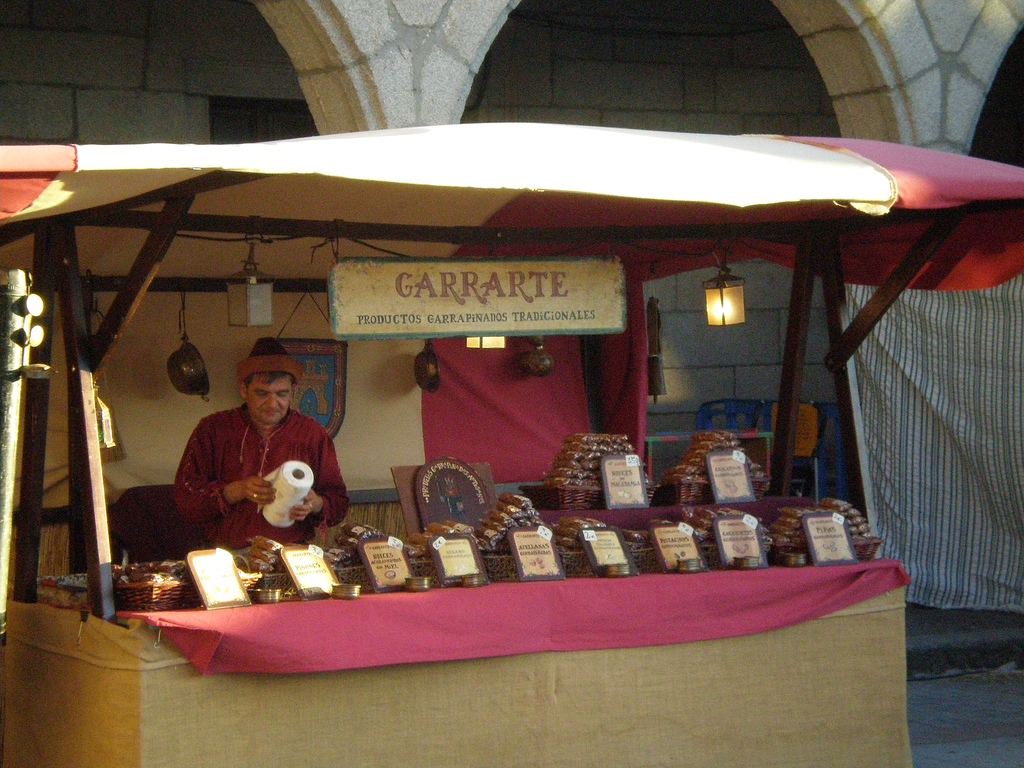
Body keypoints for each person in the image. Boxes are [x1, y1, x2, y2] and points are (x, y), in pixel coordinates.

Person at [174, 337, 349, 550]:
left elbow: (339, 503)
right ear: (243, 390)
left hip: (292, 555)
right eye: (262, 393)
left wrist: (315, 504)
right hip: (225, 555)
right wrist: (235, 491)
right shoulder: (213, 429)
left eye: (281, 394)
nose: (273, 404)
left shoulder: (311, 434)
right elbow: (185, 499)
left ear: (293, 391)